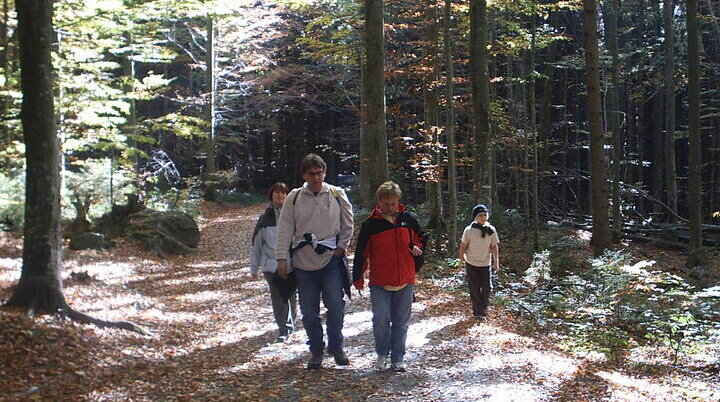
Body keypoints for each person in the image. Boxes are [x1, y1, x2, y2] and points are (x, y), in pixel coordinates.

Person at [275, 154, 354, 370]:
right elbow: (285, 229)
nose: (316, 177)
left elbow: (348, 224)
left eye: (319, 173)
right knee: (309, 312)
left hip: (331, 260)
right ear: (304, 175)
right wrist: (282, 258)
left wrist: (341, 248)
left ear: (325, 173)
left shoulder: (337, 194)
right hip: (302, 263)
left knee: (336, 307)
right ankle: (316, 351)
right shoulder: (294, 197)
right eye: (312, 173)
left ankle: (336, 347)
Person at [353, 181, 427, 373]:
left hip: (405, 278)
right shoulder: (371, 225)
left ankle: (398, 358)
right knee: (380, 320)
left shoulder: (408, 219)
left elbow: (421, 238)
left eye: (393, 203)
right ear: (379, 202)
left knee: (401, 322)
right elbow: (362, 252)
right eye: (386, 204)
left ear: (398, 202)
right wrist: (358, 277)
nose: (390, 207)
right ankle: (382, 354)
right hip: (380, 282)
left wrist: (418, 248)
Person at [250, 182, 297, 343]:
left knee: (290, 295)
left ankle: (291, 324)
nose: (279, 195)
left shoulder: (295, 216)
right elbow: (257, 244)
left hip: (293, 264)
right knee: (277, 297)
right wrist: (253, 268)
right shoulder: (265, 219)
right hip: (271, 265)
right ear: (271, 195)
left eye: (283, 192)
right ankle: (283, 329)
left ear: (287, 196)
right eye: (276, 192)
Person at [458, 204, 500, 319]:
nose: (483, 217)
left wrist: (496, 263)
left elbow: (494, 247)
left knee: (487, 287)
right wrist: (460, 263)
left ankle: (484, 307)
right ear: (475, 217)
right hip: (471, 263)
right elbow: (463, 246)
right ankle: (477, 312)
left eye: (485, 215)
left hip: (485, 263)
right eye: (480, 215)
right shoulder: (469, 230)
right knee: (474, 288)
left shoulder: (491, 230)